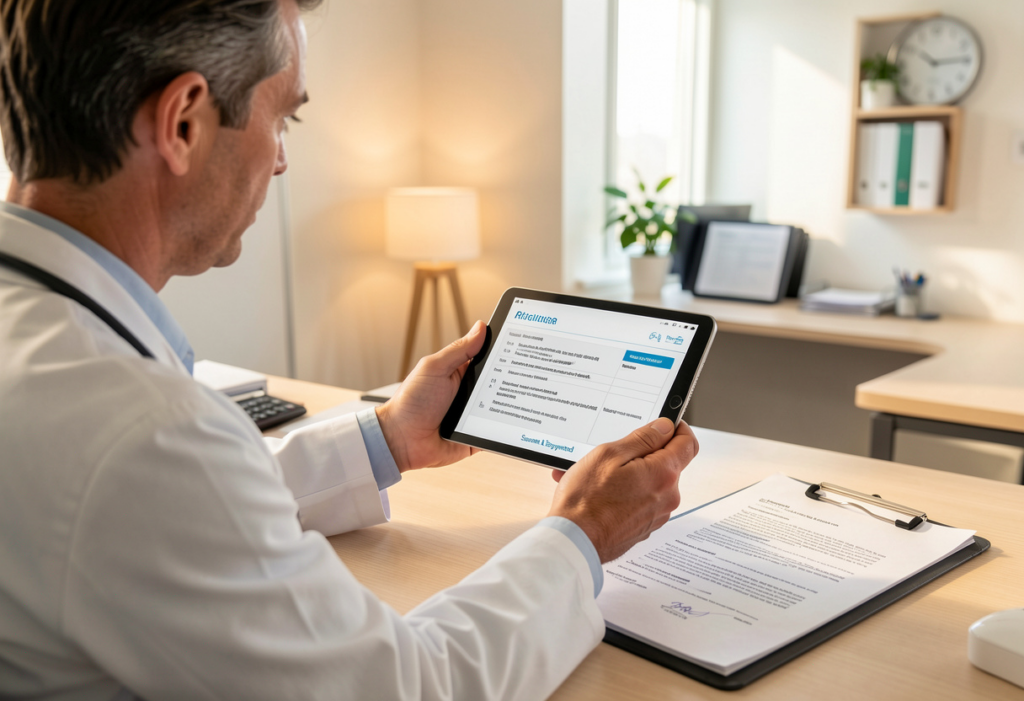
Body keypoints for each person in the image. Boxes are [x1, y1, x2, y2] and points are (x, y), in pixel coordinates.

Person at [0, 0, 699, 698]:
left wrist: (388, 437)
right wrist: (582, 534)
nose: (280, 161)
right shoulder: (142, 433)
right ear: (183, 122)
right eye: (284, 119)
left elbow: (181, 513)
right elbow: (409, 687)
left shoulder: (57, 359)